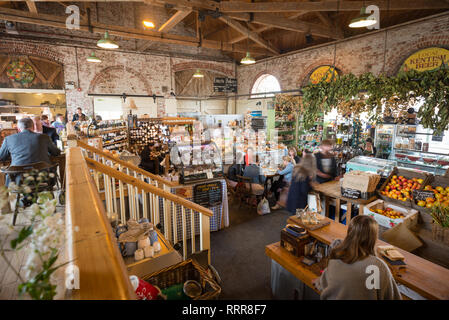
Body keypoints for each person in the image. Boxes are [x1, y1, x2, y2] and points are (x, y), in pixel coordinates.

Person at [313, 215, 401, 300]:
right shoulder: (378, 266)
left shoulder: (336, 256)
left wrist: (319, 281)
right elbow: (394, 297)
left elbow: (323, 282)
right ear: (373, 238)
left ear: (349, 233)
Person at [0, 118, 60, 185]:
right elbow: (56, 152)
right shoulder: (44, 137)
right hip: (43, 177)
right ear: (33, 127)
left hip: (18, 180)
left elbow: (1, 157)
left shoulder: (9, 139)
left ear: (18, 129)